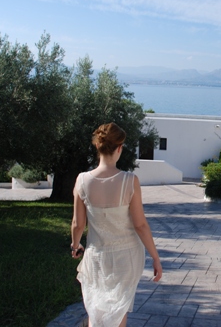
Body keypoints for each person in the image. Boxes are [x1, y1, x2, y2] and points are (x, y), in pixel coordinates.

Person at [71, 122, 162, 327]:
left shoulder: (82, 180)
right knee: (118, 311)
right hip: (127, 257)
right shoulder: (130, 181)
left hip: (96, 257)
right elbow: (140, 225)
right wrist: (155, 258)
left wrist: (75, 246)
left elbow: (78, 224)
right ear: (119, 148)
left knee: (96, 311)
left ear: (97, 146)